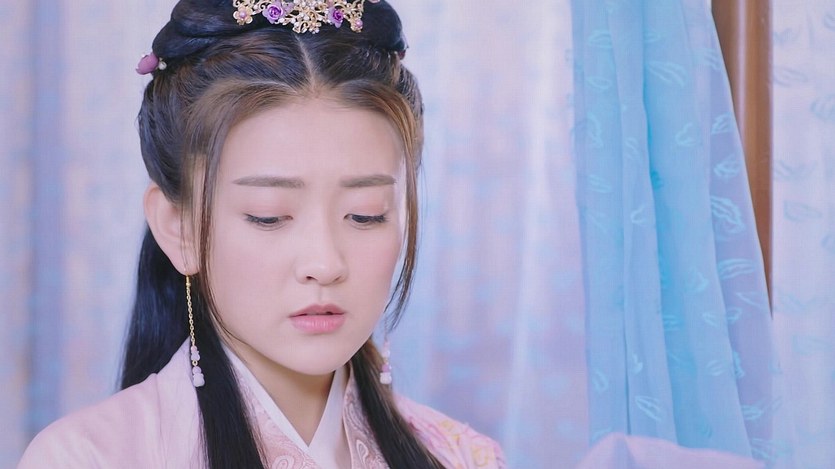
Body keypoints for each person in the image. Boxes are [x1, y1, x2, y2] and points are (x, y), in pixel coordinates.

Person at [18, 0, 505, 467]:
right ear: (178, 228)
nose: (324, 264)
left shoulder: (462, 458)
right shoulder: (85, 459)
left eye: (365, 215)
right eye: (268, 216)